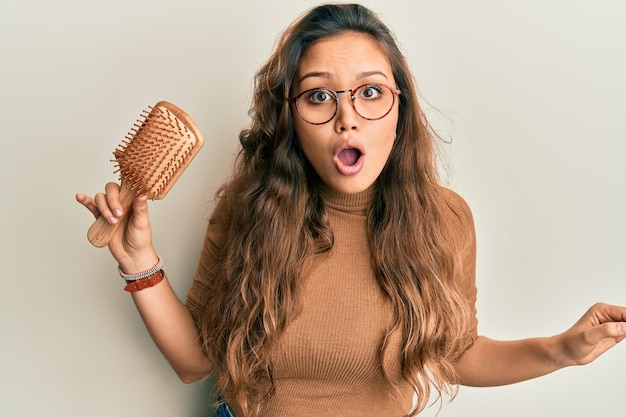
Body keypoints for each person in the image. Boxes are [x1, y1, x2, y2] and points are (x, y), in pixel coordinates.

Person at [76, 3, 626, 417]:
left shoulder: (445, 221)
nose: (348, 118)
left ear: (399, 110)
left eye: (370, 92)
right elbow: (195, 362)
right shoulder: (249, 209)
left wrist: (562, 350)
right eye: (319, 95)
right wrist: (139, 260)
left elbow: (455, 353)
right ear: (290, 117)